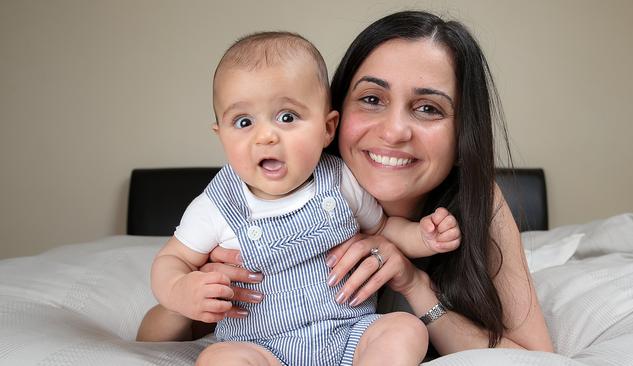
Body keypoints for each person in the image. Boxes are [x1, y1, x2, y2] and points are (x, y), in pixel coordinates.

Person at [176, 10, 555, 357]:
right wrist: (194, 285)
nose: (393, 132)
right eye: (372, 99)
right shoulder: (259, 202)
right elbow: (157, 331)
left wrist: (414, 284)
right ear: (334, 121)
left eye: (428, 108)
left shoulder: (477, 201)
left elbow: (537, 358)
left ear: (463, 136)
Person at [145, 31, 462, 366]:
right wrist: (182, 290)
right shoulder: (216, 206)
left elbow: (384, 228)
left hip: (349, 333)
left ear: (327, 128)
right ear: (221, 134)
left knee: (406, 329)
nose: (265, 136)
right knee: (218, 358)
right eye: (243, 122)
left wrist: (424, 238)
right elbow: (170, 261)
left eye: (287, 117)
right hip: (261, 345)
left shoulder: (339, 180)